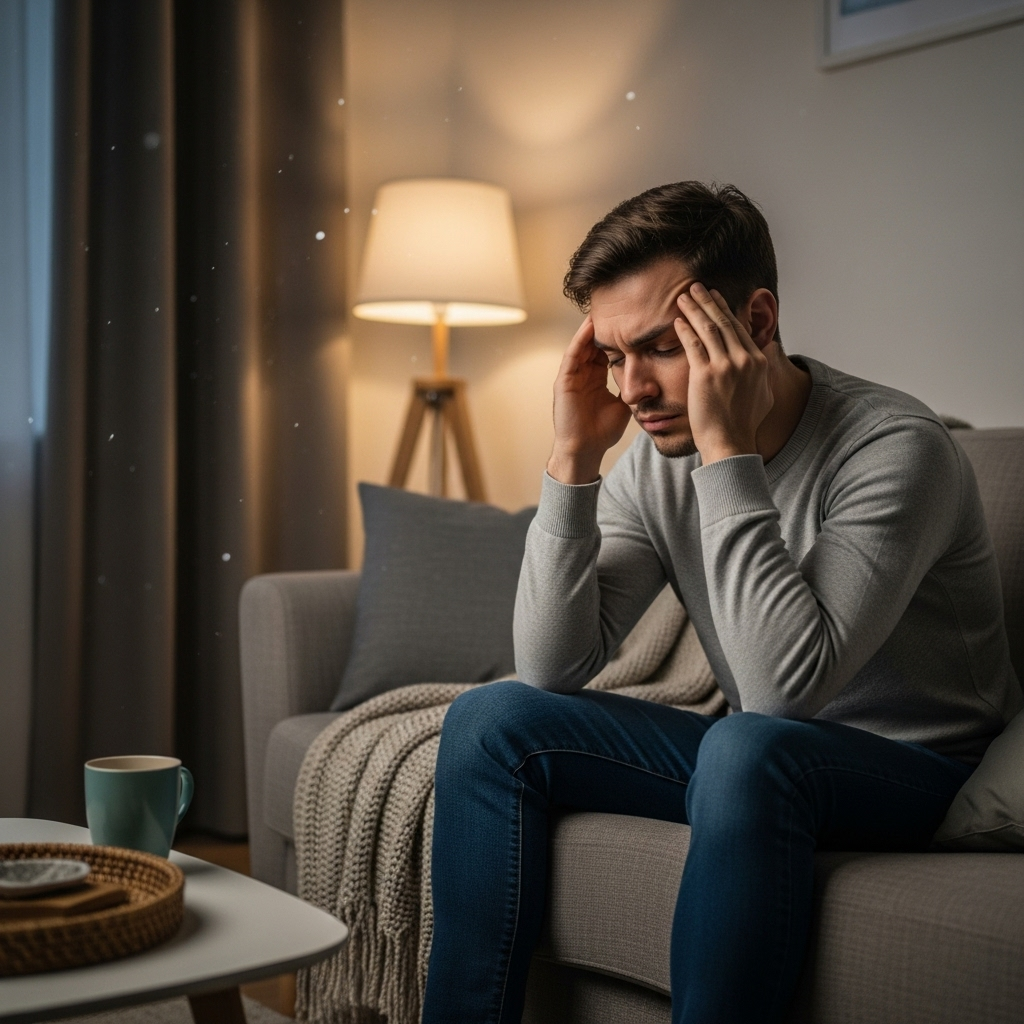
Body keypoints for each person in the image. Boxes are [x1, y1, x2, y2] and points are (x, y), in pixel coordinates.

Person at [420, 181, 1022, 1024]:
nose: (631, 388)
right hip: (760, 762)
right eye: (614, 355)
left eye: (661, 348)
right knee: (490, 721)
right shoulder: (649, 459)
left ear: (759, 323)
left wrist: (724, 453)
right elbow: (556, 664)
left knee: (746, 744)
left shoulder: (895, 451)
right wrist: (573, 457)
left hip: (914, 771)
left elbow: (781, 692)